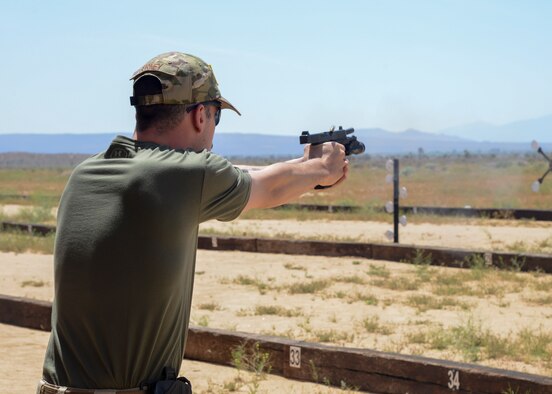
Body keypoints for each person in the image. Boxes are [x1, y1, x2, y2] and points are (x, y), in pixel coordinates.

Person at [38, 51, 348, 393]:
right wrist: (323, 167)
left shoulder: (89, 172)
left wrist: (302, 169)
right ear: (200, 115)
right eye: (217, 118)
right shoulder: (187, 177)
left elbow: (231, 174)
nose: (214, 131)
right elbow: (267, 186)